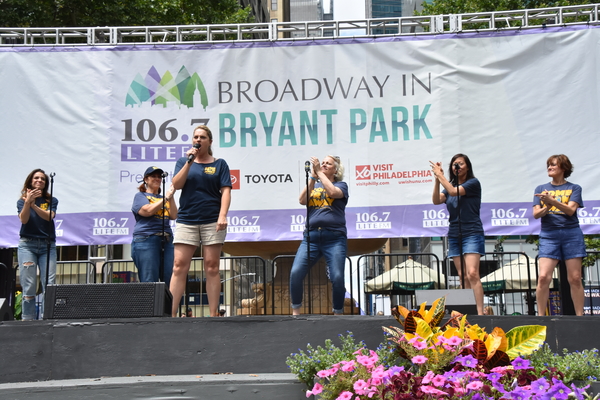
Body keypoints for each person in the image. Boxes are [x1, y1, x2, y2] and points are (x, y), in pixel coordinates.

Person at [169, 125, 232, 317]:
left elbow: (226, 191)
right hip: (187, 219)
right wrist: (189, 161)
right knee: (179, 265)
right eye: (195, 137)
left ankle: (213, 315)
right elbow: (176, 185)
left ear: (209, 141)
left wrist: (222, 215)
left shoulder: (220, 164)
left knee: (212, 266)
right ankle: (170, 314)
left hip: (212, 220)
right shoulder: (183, 161)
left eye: (203, 137)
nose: (198, 140)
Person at [289, 155, 349, 316]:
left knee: (337, 277)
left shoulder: (341, 185)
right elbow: (302, 200)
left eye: (328, 164)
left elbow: (333, 192)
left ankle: (337, 313)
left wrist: (319, 174)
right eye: (322, 163)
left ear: (335, 170)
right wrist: (312, 178)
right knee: (295, 273)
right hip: (311, 238)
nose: (323, 165)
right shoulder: (314, 186)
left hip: (334, 238)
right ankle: (296, 312)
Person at [430, 154, 485, 315]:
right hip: (455, 233)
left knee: (472, 273)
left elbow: (454, 192)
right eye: (454, 164)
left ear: (467, 166)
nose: (457, 167)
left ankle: (480, 312)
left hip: (472, 232)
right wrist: (437, 179)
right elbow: (435, 200)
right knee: (462, 276)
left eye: (460, 164)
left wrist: (440, 175)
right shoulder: (448, 187)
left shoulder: (473, 183)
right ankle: (467, 312)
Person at [533, 154, 586, 316]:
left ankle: (580, 317)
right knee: (543, 277)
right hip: (549, 234)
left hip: (571, 234)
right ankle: (541, 317)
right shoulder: (540, 189)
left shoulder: (574, 188)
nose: (549, 167)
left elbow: (570, 210)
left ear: (563, 168)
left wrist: (552, 201)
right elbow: (536, 214)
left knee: (575, 278)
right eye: (548, 165)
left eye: (553, 165)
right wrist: (547, 206)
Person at [17, 169, 58, 320]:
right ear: (30, 180)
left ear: (46, 183)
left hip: (48, 246)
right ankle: (27, 320)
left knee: (49, 284)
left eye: (42, 179)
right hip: (28, 245)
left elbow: (49, 217)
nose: (39, 180)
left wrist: (34, 205)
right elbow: (24, 220)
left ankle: (48, 318)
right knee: (29, 285)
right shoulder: (21, 201)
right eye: (36, 178)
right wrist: (28, 202)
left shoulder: (51, 200)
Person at [131, 166, 177, 287]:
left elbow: (173, 215)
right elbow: (147, 211)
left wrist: (170, 197)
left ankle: (168, 306)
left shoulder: (164, 198)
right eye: (153, 176)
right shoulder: (140, 196)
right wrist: (166, 198)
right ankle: (150, 306)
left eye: (159, 177)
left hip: (166, 240)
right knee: (149, 281)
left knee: (170, 280)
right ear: (146, 179)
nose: (157, 179)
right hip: (146, 239)